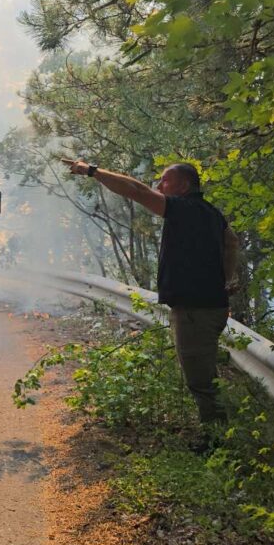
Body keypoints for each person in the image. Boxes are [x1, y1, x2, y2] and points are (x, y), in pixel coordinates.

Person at [62, 159, 240, 445]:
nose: (159, 186)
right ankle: (219, 436)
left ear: (183, 185)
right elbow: (232, 242)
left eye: (165, 181)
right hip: (210, 307)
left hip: (196, 311)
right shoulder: (211, 213)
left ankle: (219, 444)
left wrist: (92, 171)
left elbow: (136, 190)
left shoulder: (184, 210)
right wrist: (225, 280)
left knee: (200, 382)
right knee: (205, 375)